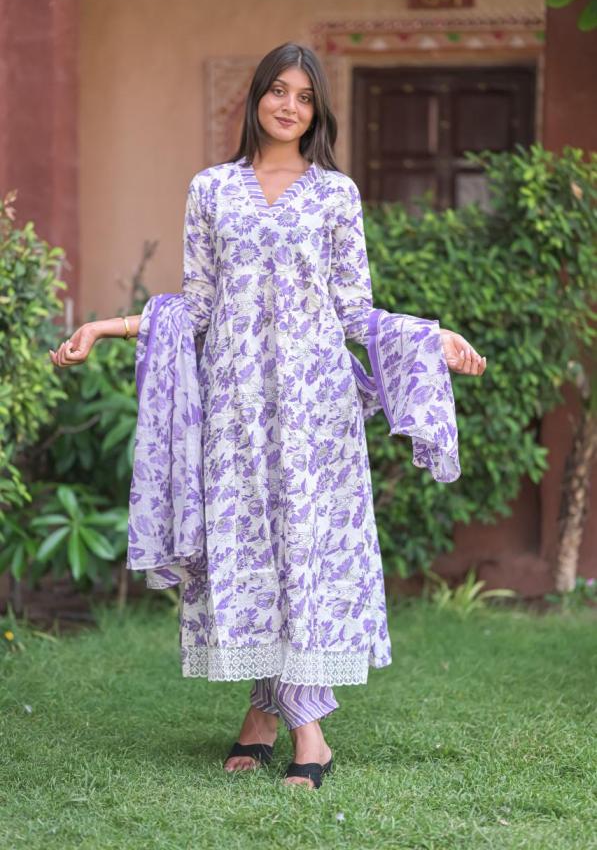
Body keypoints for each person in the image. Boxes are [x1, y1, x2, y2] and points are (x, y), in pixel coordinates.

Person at [50, 41, 486, 790]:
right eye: (278, 90)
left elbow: (353, 310)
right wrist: (104, 327)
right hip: (236, 406)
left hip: (314, 406)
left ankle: (304, 731)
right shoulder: (211, 190)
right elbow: (197, 305)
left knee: (304, 550)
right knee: (250, 549)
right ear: (255, 98)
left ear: (317, 111)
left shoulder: (335, 194)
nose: (290, 106)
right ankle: (263, 713)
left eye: (305, 97)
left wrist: (429, 338)